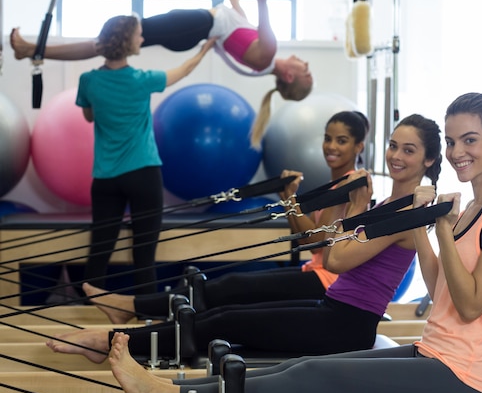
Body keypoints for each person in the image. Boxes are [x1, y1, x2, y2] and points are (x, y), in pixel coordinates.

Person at [105, 92, 482, 393]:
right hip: (433, 352)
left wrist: (436, 226)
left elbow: (472, 305)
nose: (459, 153)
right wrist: (422, 225)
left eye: (470, 140)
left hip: (462, 376)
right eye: (454, 141)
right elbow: (440, 291)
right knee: (298, 365)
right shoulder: (470, 207)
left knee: (310, 374)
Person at [45, 113, 443, 364]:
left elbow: (336, 260)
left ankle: (113, 340)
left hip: (349, 324)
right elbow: (322, 242)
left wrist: (355, 205)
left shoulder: (406, 213)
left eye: (409, 150)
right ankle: (120, 333)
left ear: (427, 160)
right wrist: (292, 199)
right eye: (393, 145)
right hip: (332, 306)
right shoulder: (385, 204)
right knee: (220, 313)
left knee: (227, 314)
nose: (396, 156)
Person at [82, 110, 370, 324]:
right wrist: (286, 195)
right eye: (328, 138)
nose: (331, 147)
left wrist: (291, 198)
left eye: (342, 141)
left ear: (358, 146)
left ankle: (132, 307)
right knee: (227, 289)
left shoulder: (348, 184)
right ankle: (135, 308)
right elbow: (302, 240)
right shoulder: (336, 183)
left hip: (328, 281)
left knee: (231, 288)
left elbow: (317, 240)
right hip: (316, 273)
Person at [10, 0, 313, 147]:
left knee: (109, 40)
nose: (305, 64)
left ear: (289, 77)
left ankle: (31, 50)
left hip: (195, 25)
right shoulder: (260, 58)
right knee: (108, 41)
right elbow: (238, 14)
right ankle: (34, 50)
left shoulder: (267, 54)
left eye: (306, 71)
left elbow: (261, 4)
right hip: (193, 26)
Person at [79, 15, 214, 295]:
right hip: (143, 173)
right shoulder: (144, 80)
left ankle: (88, 315)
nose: (142, 39)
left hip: (105, 178)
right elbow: (185, 69)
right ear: (128, 43)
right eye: (139, 35)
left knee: (100, 249)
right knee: (144, 251)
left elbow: (89, 115)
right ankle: (146, 320)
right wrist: (205, 48)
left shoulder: (88, 81)